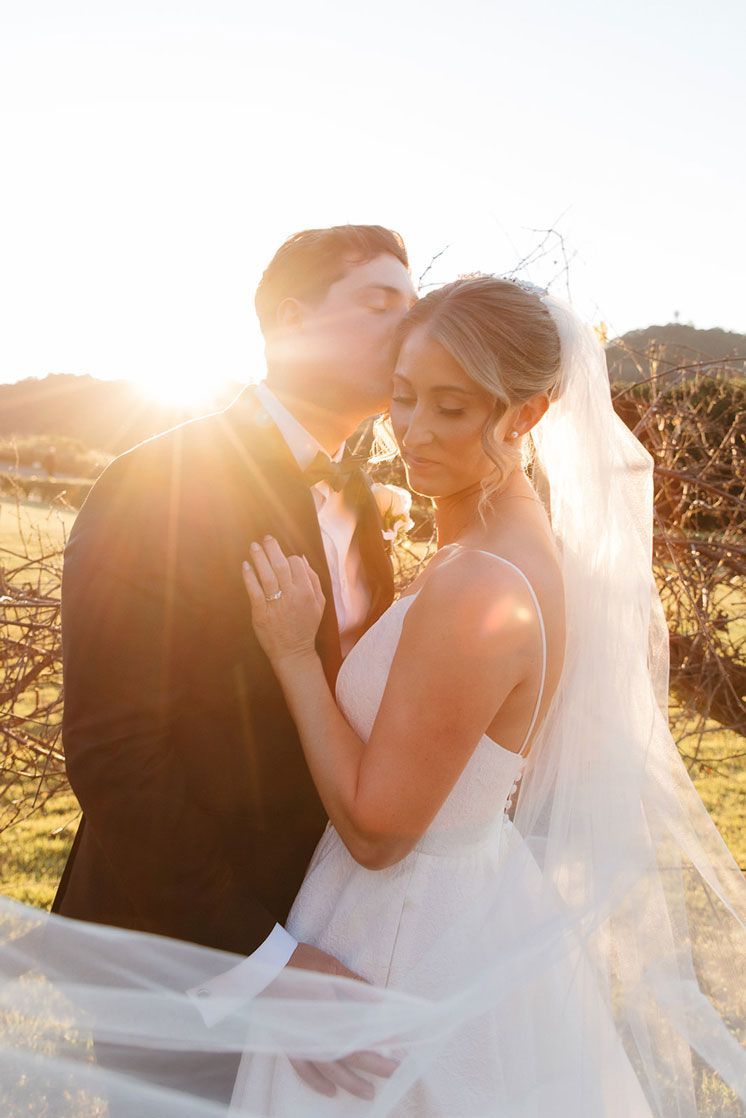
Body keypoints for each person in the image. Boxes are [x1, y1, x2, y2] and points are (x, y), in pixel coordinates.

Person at [232, 277, 746, 1113]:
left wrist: (294, 656)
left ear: (526, 416)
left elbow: (375, 830)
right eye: (402, 399)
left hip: (400, 937)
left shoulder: (479, 582)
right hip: (468, 904)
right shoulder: (514, 541)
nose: (413, 432)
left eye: (452, 409)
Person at [51, 223, 416, 1105]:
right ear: (290, 323)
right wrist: (268, 967)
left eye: (415, 306)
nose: (409, 327)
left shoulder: (364, 506)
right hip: (182, 963)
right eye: (380, 302)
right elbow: (116, 752)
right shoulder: (163, 479)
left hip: (336, 936)